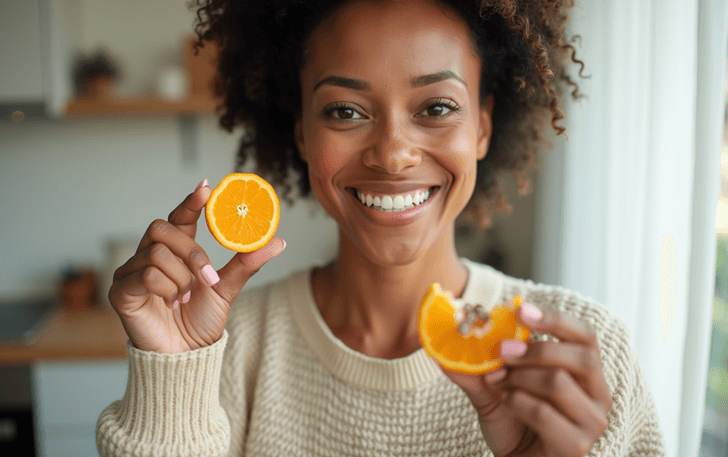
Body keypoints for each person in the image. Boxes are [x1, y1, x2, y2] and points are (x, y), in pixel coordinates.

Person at [97, 0, 666, 455]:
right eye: (345, 111)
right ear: (301, 135)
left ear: (484, 128)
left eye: (437, 107)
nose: (392, 154)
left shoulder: (585, 360)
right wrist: (172, 372)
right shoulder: (225, 348)